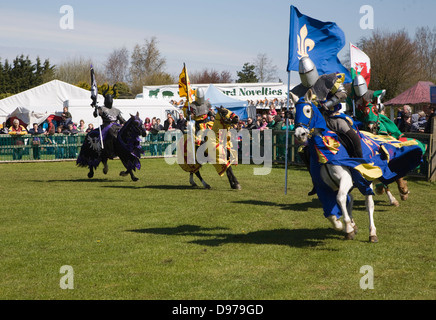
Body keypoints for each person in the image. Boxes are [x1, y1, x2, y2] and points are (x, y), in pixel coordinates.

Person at [289, 56, 352, 195]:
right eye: (303, 74)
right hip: (314, 125)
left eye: (308, 72)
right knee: (304, 151)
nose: (306, 76)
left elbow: (343, 94)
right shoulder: (298, 90)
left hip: (332, 117)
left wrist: (327, 104)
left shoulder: (327, 80)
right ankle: (316, 181)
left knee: (348, 132)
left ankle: (359, 165)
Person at [92, 85, 126, 157]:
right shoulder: (102, 108)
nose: (109, 101)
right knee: (110, 132)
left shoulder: (116, 110)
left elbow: (122, 120)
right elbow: (95, 115)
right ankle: (109, 150)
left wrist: (127, 123)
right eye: (108, 99)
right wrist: (96, 108)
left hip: (116, 126)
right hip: (106, 125)